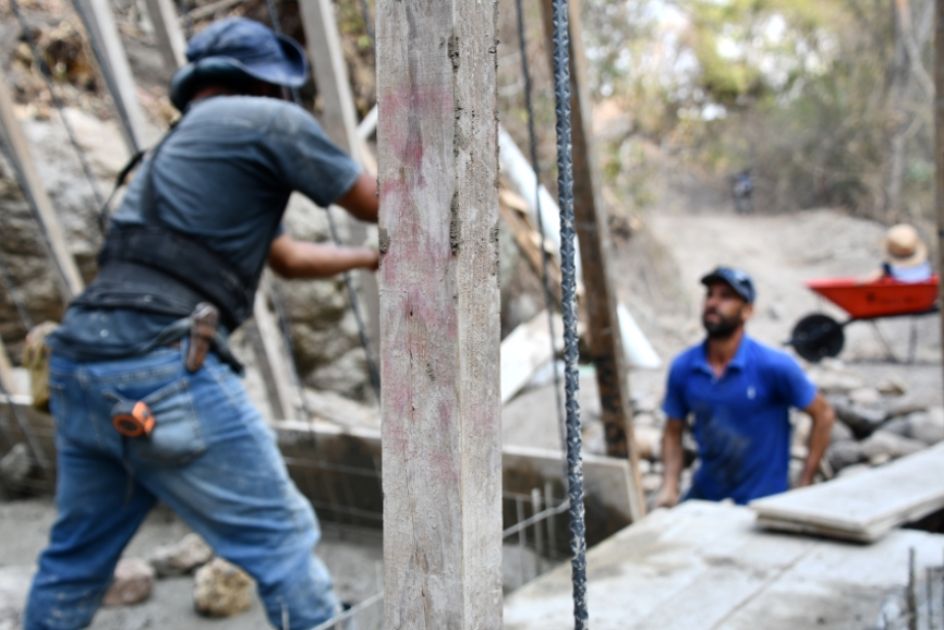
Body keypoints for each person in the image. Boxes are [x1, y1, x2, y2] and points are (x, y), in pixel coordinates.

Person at [24, 18, 379, 630]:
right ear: (269, 82)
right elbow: (379, 201)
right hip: (159, 369)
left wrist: (369, 259)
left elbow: (286, 259)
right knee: (281, 540)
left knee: (75, 560)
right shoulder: (270, 120)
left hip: (79, 366)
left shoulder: (174, 148)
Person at [657, 267, 835, 508]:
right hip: (707, 497)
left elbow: (823, 414)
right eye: (710, 295)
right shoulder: (684, 367)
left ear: (747, 311)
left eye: (726, 296)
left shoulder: (773, 366)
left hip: (764, 503)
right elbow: (672, 430)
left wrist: (805, 483)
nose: (713, 303)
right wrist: (669, 485)